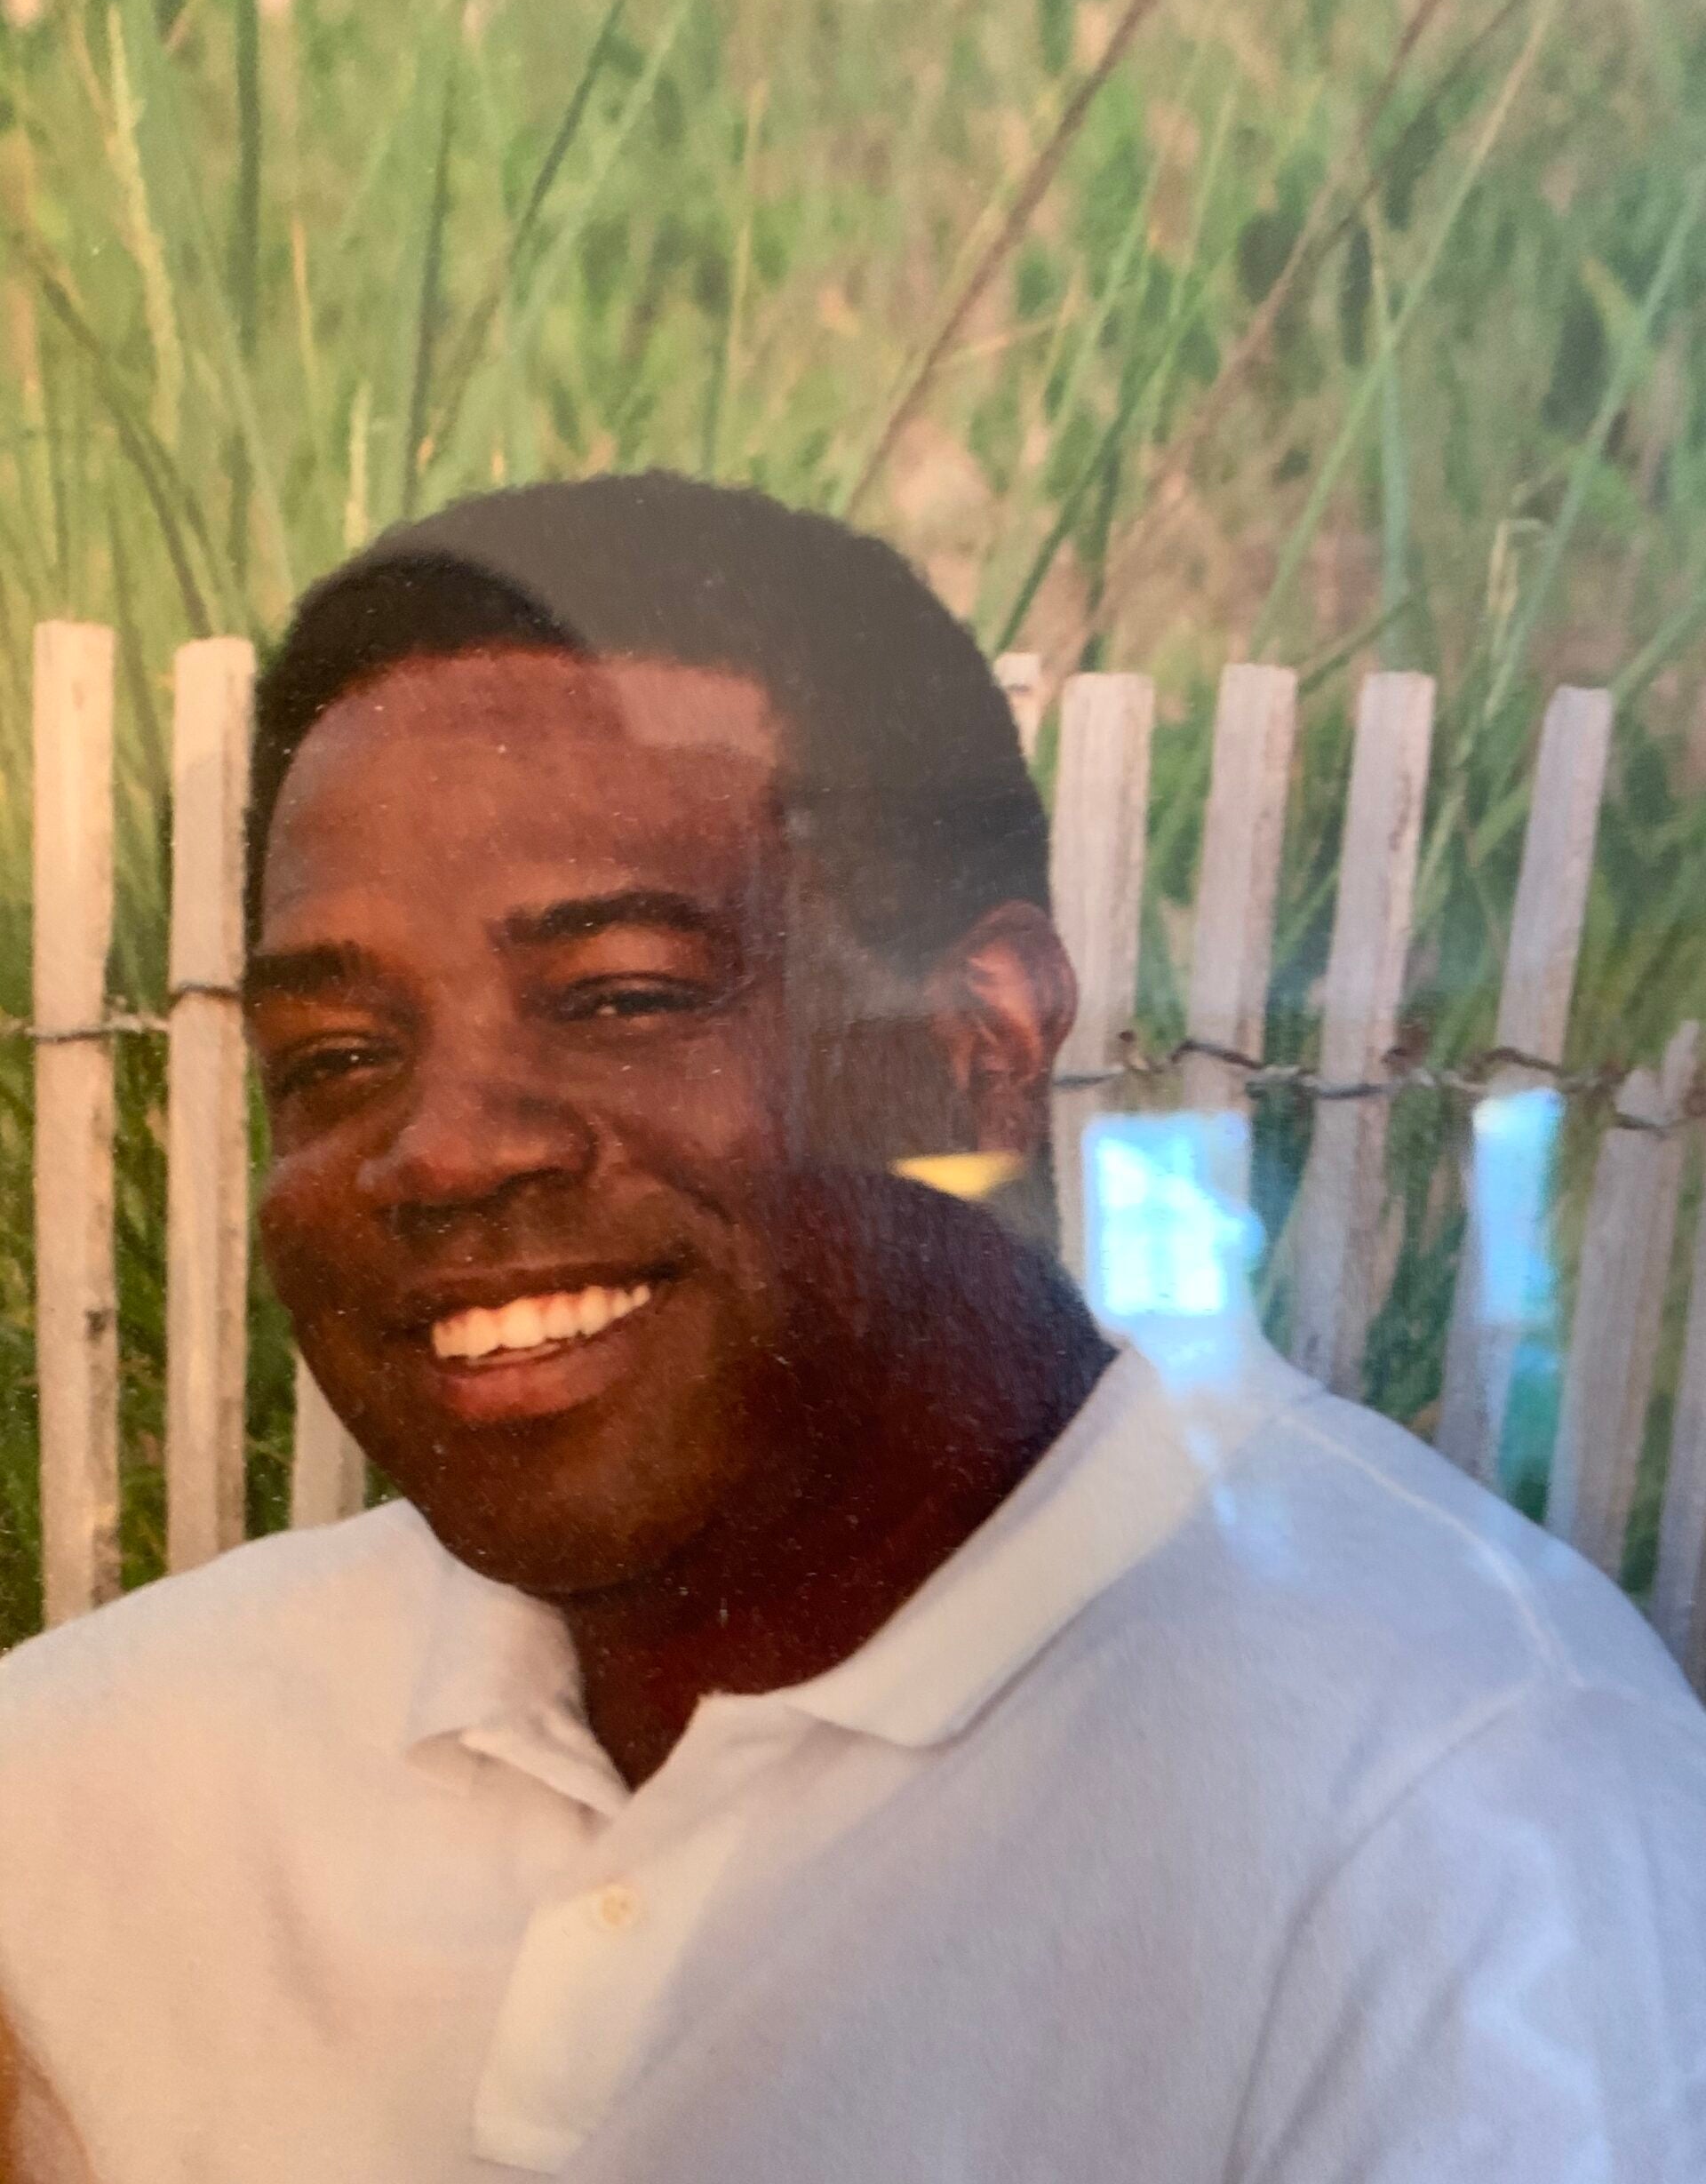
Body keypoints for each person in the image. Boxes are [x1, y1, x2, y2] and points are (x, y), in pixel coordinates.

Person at [2, 471, 1704, 2182]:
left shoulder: (1460, 1817)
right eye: (339, 1061)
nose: (440, 1150)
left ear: (983, 1041)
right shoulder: (90, 1798)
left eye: (624, 997)